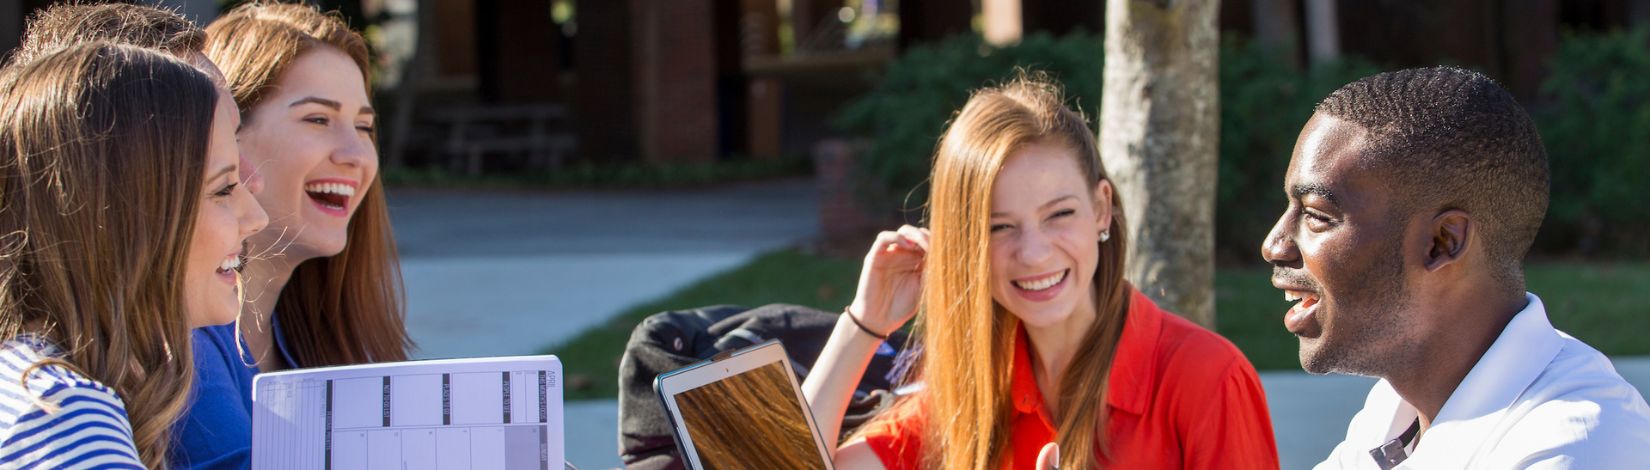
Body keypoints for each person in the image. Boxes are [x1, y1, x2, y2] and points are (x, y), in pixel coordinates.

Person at [804, 76, 1279, 469]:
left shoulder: (1207, 378)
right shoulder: (975, 388)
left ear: (1101, 208)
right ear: (965, 243)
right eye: (999, 226)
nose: (1033, 253)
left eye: (1059, 214)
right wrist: (864, 325)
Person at [1261, 66, 1650, 468]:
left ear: (1442, 242)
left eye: (1316, 215)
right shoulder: (1396, 410)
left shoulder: (1576, 447)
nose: (1274, 245)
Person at [0, 42, 266, 469]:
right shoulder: (65, 416)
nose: (257, 218)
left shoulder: (41, 391)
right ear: (126, 215)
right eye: (222, 189)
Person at [174, 3, 412, 467]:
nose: (355, 155)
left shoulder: (325, 333)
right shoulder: (181, 335)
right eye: (318, 119)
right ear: (226, 135)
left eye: (364, 127)